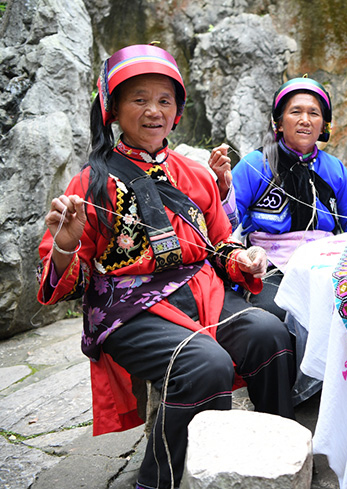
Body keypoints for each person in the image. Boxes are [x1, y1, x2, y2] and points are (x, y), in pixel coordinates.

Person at [37, 44, 295, 489]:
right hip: (130, 308)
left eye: (164, 100)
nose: (153, 110)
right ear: (113, 109)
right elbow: (64, 283)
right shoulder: (90, 183)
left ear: (177, 111)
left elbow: (219, 244)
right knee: (205, 364)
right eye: (139, 99)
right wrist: (65, 244)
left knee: (268, 332)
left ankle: (273, 455)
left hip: (200, 291)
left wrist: (243, 258)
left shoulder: (194, 174)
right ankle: (160, 480)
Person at [210, 76, 347, 323]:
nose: (305, 120)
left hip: (327, 265)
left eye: (314, 113)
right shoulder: (256, 164)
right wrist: (222, 188)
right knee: (275, 315)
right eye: (296, 112)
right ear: (278, 123)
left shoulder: (333, 168)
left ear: (324, 125)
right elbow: (224, 224)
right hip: (272, 266)